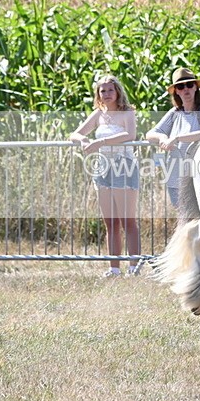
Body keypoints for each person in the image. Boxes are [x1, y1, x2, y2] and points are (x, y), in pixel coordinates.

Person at [69, 74, 141, 277]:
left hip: (123, 166)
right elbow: (74, 134)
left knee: (127, 220)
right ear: (98, 94)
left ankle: (134, 266)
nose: (107, 94)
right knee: (110, 221)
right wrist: (83, 141)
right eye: (103, 91)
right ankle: (114, 268)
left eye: (110, 90)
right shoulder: (98, 114)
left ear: (118, 91)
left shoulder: (127, 113)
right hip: (103, 168)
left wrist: (100, 142)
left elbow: (130, 135)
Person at [146, 68, 200, 208]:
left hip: (198, 176)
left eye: (190, 85)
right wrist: (162, 138)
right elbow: (150, 134)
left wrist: (177, 138)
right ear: (176, 91)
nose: (186, 89)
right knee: (182, 219)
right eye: (180, 86)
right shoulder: (174, 113)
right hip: (175, 176)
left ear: (196, 87)